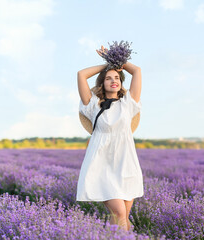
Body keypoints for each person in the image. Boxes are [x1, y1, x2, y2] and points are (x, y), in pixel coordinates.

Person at [76, 48, 143, 232]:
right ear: (102, 82)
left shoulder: (128, 103)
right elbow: (81, 74)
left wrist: (118, 61)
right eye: (108, 78)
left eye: (116, 78)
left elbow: (136, 71)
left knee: (122, 218)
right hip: (102, 166)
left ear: (121, 83)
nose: (113, 81)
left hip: (126, 165)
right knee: (119, 213)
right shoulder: (92, 105)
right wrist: (108, 64)